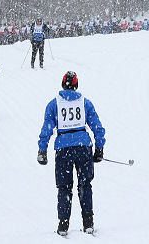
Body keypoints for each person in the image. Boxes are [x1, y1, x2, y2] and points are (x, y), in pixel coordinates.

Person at [37, 71, 106, 236]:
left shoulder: (54, 104)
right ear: (76, 85)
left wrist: (42, 149)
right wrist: (99, 148)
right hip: (83, 147)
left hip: (63, 149)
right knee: (85, 185)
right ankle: (88, 222)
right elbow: (97, 126)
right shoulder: (85, 103)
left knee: (64, 188)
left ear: (63, 84)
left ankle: (63, 224)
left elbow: (47, 129)